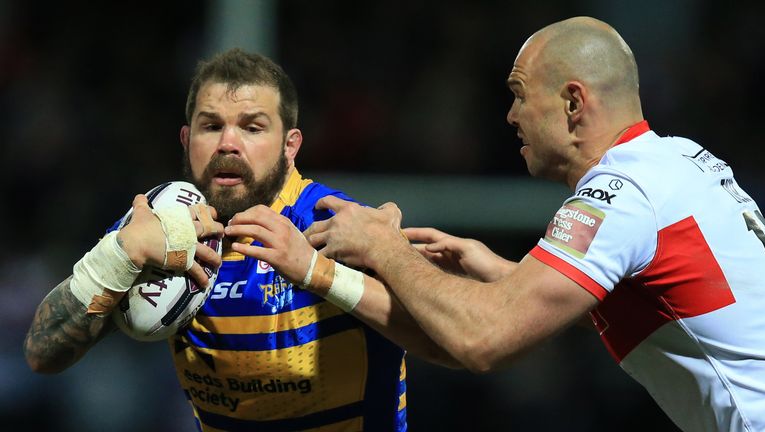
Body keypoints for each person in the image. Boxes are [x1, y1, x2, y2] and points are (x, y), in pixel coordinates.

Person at [289, 16, 765, 432]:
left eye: (520, 95)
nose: (511, 115)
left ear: (573, 104)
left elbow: (483, 341)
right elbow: (655, 302)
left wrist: (380, 247)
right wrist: (507, 274)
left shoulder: (618, 196)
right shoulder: (680, 158)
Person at [23, 48, 457, 431]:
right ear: (186, 139)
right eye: (211, 126)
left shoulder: (337, 224)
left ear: (290, 146)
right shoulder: (159, 226)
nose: (228, 143)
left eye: (252, 128)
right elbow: (44, 353)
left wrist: (317, 270)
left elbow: (452, 344)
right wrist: (121, 254)